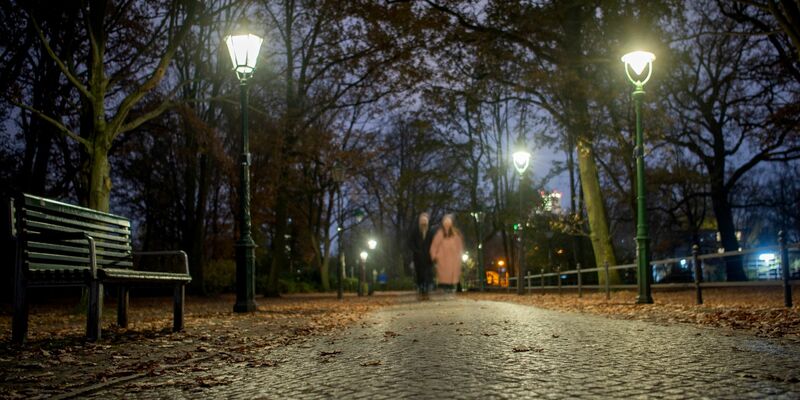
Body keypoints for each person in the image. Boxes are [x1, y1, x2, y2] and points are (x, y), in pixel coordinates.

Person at [430, 214, 464, 294]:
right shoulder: (439, 234)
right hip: (442, 258)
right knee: (443, 273)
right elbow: (435, 245)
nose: (447, 223)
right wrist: (434, 255)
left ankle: (451, 287)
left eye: (448, 221)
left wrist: (459, 255)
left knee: (452, 273)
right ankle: (444, 287)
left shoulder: (455, 234)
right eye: (445, 221)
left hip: (453, 258)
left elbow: (459, 245)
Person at [408, 212, 435, 299]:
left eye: (425, 221)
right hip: (418, 258)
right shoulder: (415, 231)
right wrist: (416, 251)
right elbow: (410, 243)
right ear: (420, 221)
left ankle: (426, 292)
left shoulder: (431, 232)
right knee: (420, 276)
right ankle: (421, 291)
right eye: (422, 220)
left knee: (427, 275)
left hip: (428, 258)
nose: (424, 222)